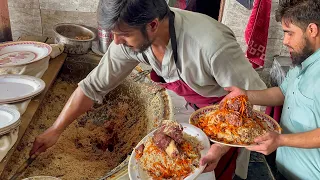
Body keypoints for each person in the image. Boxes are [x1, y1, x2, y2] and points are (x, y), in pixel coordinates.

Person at [30, 0, 266, 179]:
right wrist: (56, 129)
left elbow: (257, 103)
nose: (117, 41)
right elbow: (93, 87)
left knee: (211, 173)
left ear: (152, 25)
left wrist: (222, 146)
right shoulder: (129, 38)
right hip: (189, 109)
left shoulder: (211, 45)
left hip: (224, 121)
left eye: (122, 35)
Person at [222, 0, 320, 179]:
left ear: (312, 30)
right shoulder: (303, 60)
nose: (285, 41)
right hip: (285, 164)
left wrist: (281, 139)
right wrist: (245, 95)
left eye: (289, 33)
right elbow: (282, 93)